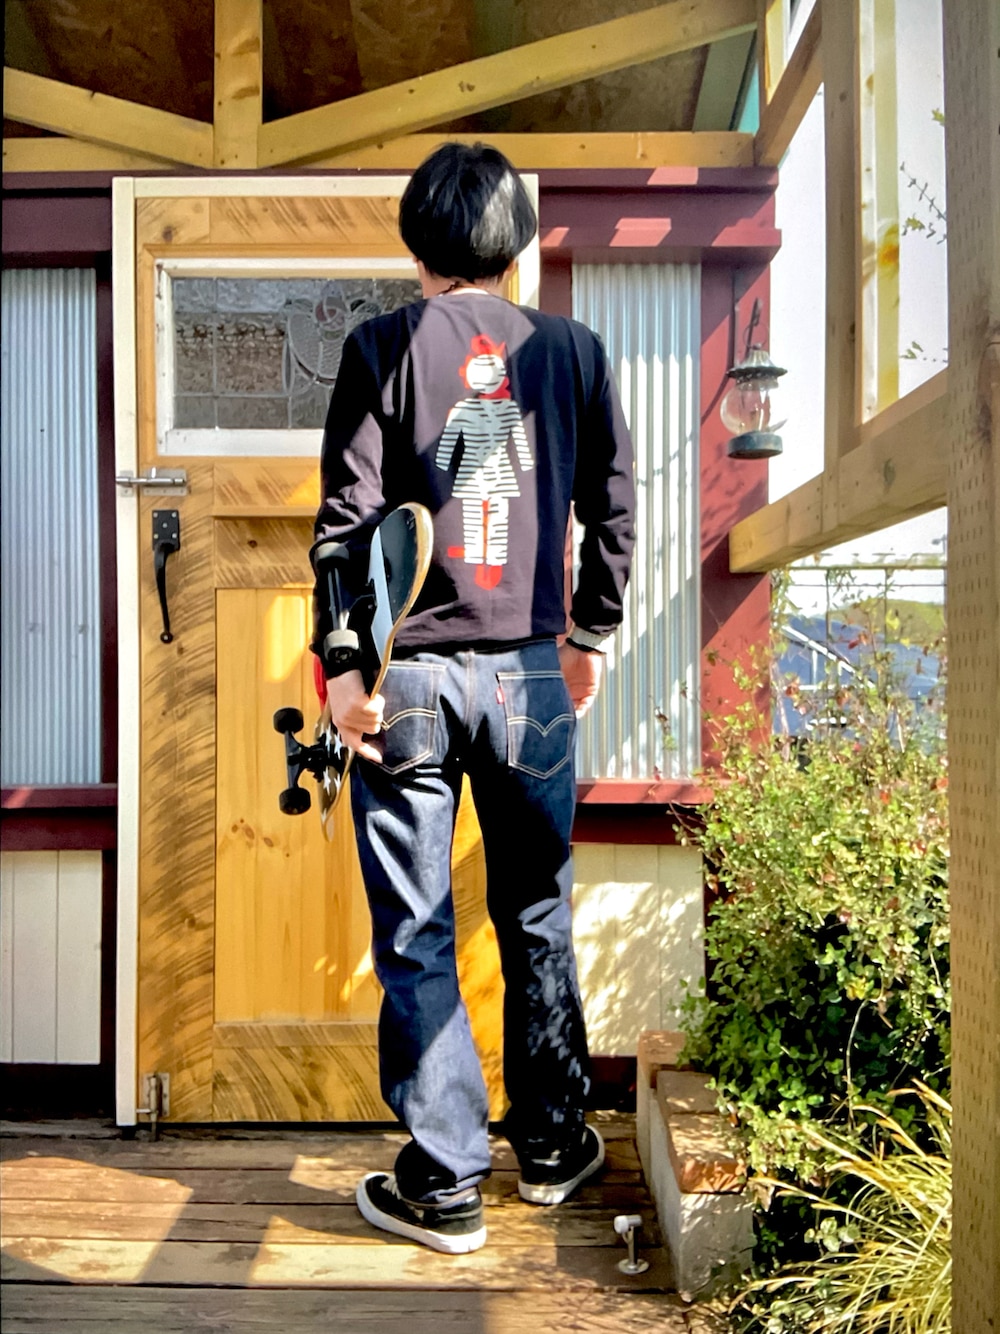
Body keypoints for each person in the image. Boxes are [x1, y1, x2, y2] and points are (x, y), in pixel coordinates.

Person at [311, 142, 635, 1254]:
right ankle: (551, 1145)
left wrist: (343, 666)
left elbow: (345, 525)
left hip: (408, 677)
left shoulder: (381, 348)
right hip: (530, 675)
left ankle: (445, 1184)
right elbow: (614, 504)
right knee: (535, 908)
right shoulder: (571, 350)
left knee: (417, 926)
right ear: (517, 244)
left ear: (417, 245)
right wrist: (587, 632)